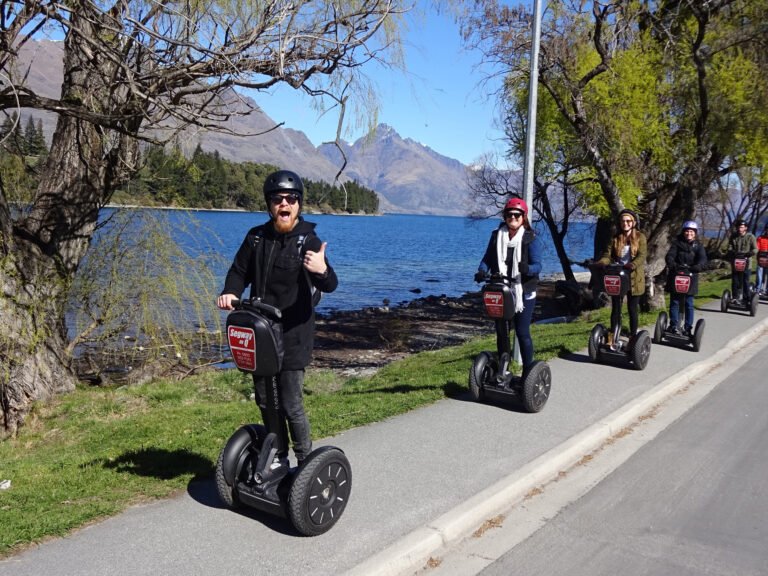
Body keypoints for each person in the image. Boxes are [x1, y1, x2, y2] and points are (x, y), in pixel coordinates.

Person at [217, 169, 338, 469]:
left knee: (290, 403)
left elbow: (330, 283)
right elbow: (238, 272)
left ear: (299, 204)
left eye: (291, 199)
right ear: (269, 204)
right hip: (261, 332)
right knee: (264, 400)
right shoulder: (256, 238)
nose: (284, 204)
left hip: (294, 334)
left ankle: (306, 462)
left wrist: (321, 270)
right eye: (277, 199)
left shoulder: (308, 241)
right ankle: (278, 457)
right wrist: (230, 292)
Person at [475, 196, 543, 376]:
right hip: (501, 289)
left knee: (521, 332)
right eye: (509, 215)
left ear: (524, 216)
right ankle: (502, 370)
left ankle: (529, 373)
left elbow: (538, 266)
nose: (512, 218)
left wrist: (527, 268)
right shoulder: (497, 235)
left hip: (523, 291)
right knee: (501, 332)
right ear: (504, 217)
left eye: (517, 215)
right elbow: (487, 258)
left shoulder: (531, 238)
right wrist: (482, 271)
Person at [595, 209, 647, 346]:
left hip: (634, 278)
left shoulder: (640, 237)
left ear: (633, 222)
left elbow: (642, 256)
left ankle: (633, 337)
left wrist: (632, 264)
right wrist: (601, 263)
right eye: (623, 221)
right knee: (616, 309)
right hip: (618, 277)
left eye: (628, 221)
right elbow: (608, 255)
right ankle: (612, 337)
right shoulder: (615, 238)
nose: (625, 223)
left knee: (632, 308)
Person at [664, 220, 708, 336]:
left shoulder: (698, 246)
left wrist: (698, 266)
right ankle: (673, 325)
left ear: (695, 233)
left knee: (689, 303)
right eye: (687, 231)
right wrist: (672, 264)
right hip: (677, 275)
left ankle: (688, 328)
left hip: (691, 276)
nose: (689, 233)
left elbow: (703, 259)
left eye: (692, 232)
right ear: (684, 232)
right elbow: (670, 256)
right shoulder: (677, 243)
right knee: (675, 301)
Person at [727, 219, 757, 302]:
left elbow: (755, 249)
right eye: (738, 227)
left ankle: (746, 298)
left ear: (745, 228)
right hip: (736, 262)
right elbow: (729, 247)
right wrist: (731, 252)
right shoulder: (733, 236)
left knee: (745, 281)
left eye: (741, 227)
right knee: (735, 280)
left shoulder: (750, 237)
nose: (739, 229)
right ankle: (735, 297)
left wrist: (750, 253)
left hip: (747, 262)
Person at [756, 224, 768, 296]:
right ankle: (758, 288)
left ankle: (766, 290)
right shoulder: (760, 238)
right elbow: (757, 248)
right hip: (761, 258)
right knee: (759, 274)